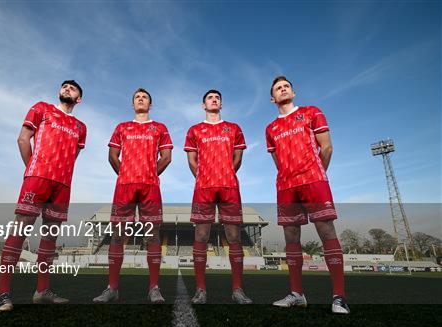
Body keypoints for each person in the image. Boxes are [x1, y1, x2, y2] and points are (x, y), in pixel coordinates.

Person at [0, 80, 87, 311]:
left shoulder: (80, 127)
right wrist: (32, 169)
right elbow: (23, 139)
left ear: (79, 99)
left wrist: (59, 173)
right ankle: (1, 294)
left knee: (50, 236)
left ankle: (42, 291)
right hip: (38, 178)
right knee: (21, 227)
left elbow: (73, 155)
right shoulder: (42, 108)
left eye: (72, 89)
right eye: (64, 86)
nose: (67, 89)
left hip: (62, 184)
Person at [265, 76, 350, 314]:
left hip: (313, 181)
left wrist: (315, 173)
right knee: (291, 236)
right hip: (286, 186)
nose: (282, 90)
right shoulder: (270, 128)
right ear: (272, 98)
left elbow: (327, 147)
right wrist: (289, 178)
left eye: (286, 87)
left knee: (326, 230)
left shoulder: (312, 112)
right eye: (278, 89)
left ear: (293, 91)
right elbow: (278, 161)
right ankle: (296, 293)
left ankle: (339, 297)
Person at [93, 88, 173, 304]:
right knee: (117, 235)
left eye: (144, 97)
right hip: (124, 186)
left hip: (150, 187)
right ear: (132, 104)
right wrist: (126, 173)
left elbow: (166, 157)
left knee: (152, 235)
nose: (140, 99)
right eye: (137, 97)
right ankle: (112, 288)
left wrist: (148, 174)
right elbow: (112, 155)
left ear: (150, 104)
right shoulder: (122, 127)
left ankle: (154, 288)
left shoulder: (160, 128)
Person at [184, 89, 252, 304]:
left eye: (217, 98)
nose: (214, 100)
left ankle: (238, 289)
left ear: (221, 104)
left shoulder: (233, 128)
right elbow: (192, 161)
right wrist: (204, 177)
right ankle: (201, 289)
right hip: (203, 188)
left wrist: (225, 175)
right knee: (201, 236)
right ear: (203, 105)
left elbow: (237, 158)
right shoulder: (195, 130)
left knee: (233, 236)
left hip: (229, 187)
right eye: (210, 98)